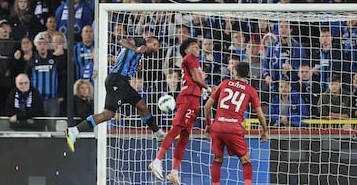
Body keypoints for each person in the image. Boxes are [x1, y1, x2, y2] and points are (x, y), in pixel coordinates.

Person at [65, 36, 165, 152]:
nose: (155, 49)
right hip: (117, 80)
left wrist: (135, 66)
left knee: (141, 105)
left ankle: (159, 134)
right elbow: (122, 41)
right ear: (150, 41)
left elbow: (121, 59)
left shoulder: (139, 52)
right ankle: (74, 131)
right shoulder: (140, 42)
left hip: (123, 83)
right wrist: (136, 49)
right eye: (155, 45)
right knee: (108, 114)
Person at [149, 38, 211, 184]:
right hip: (188, 98)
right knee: (176, 129)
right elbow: (196, 78)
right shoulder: (190, 58)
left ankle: (174, 171)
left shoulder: (194, 61)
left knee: (184, 135)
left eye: (197, 46)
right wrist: (208, 88)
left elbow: (195, 77)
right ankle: (157, 160)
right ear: (186, 50)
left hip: (194, 99)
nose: (197, 48)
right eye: (193, 46)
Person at [204, 62, 268, 185]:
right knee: (245, 160)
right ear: (247, 74)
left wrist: (208, 124)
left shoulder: (224, 83)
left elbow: (207, 106)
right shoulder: (251, 90)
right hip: (234, 128)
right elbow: (260, 114)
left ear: (235, 72)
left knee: (217, 159)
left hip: (217, 127)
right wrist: (265, 130)